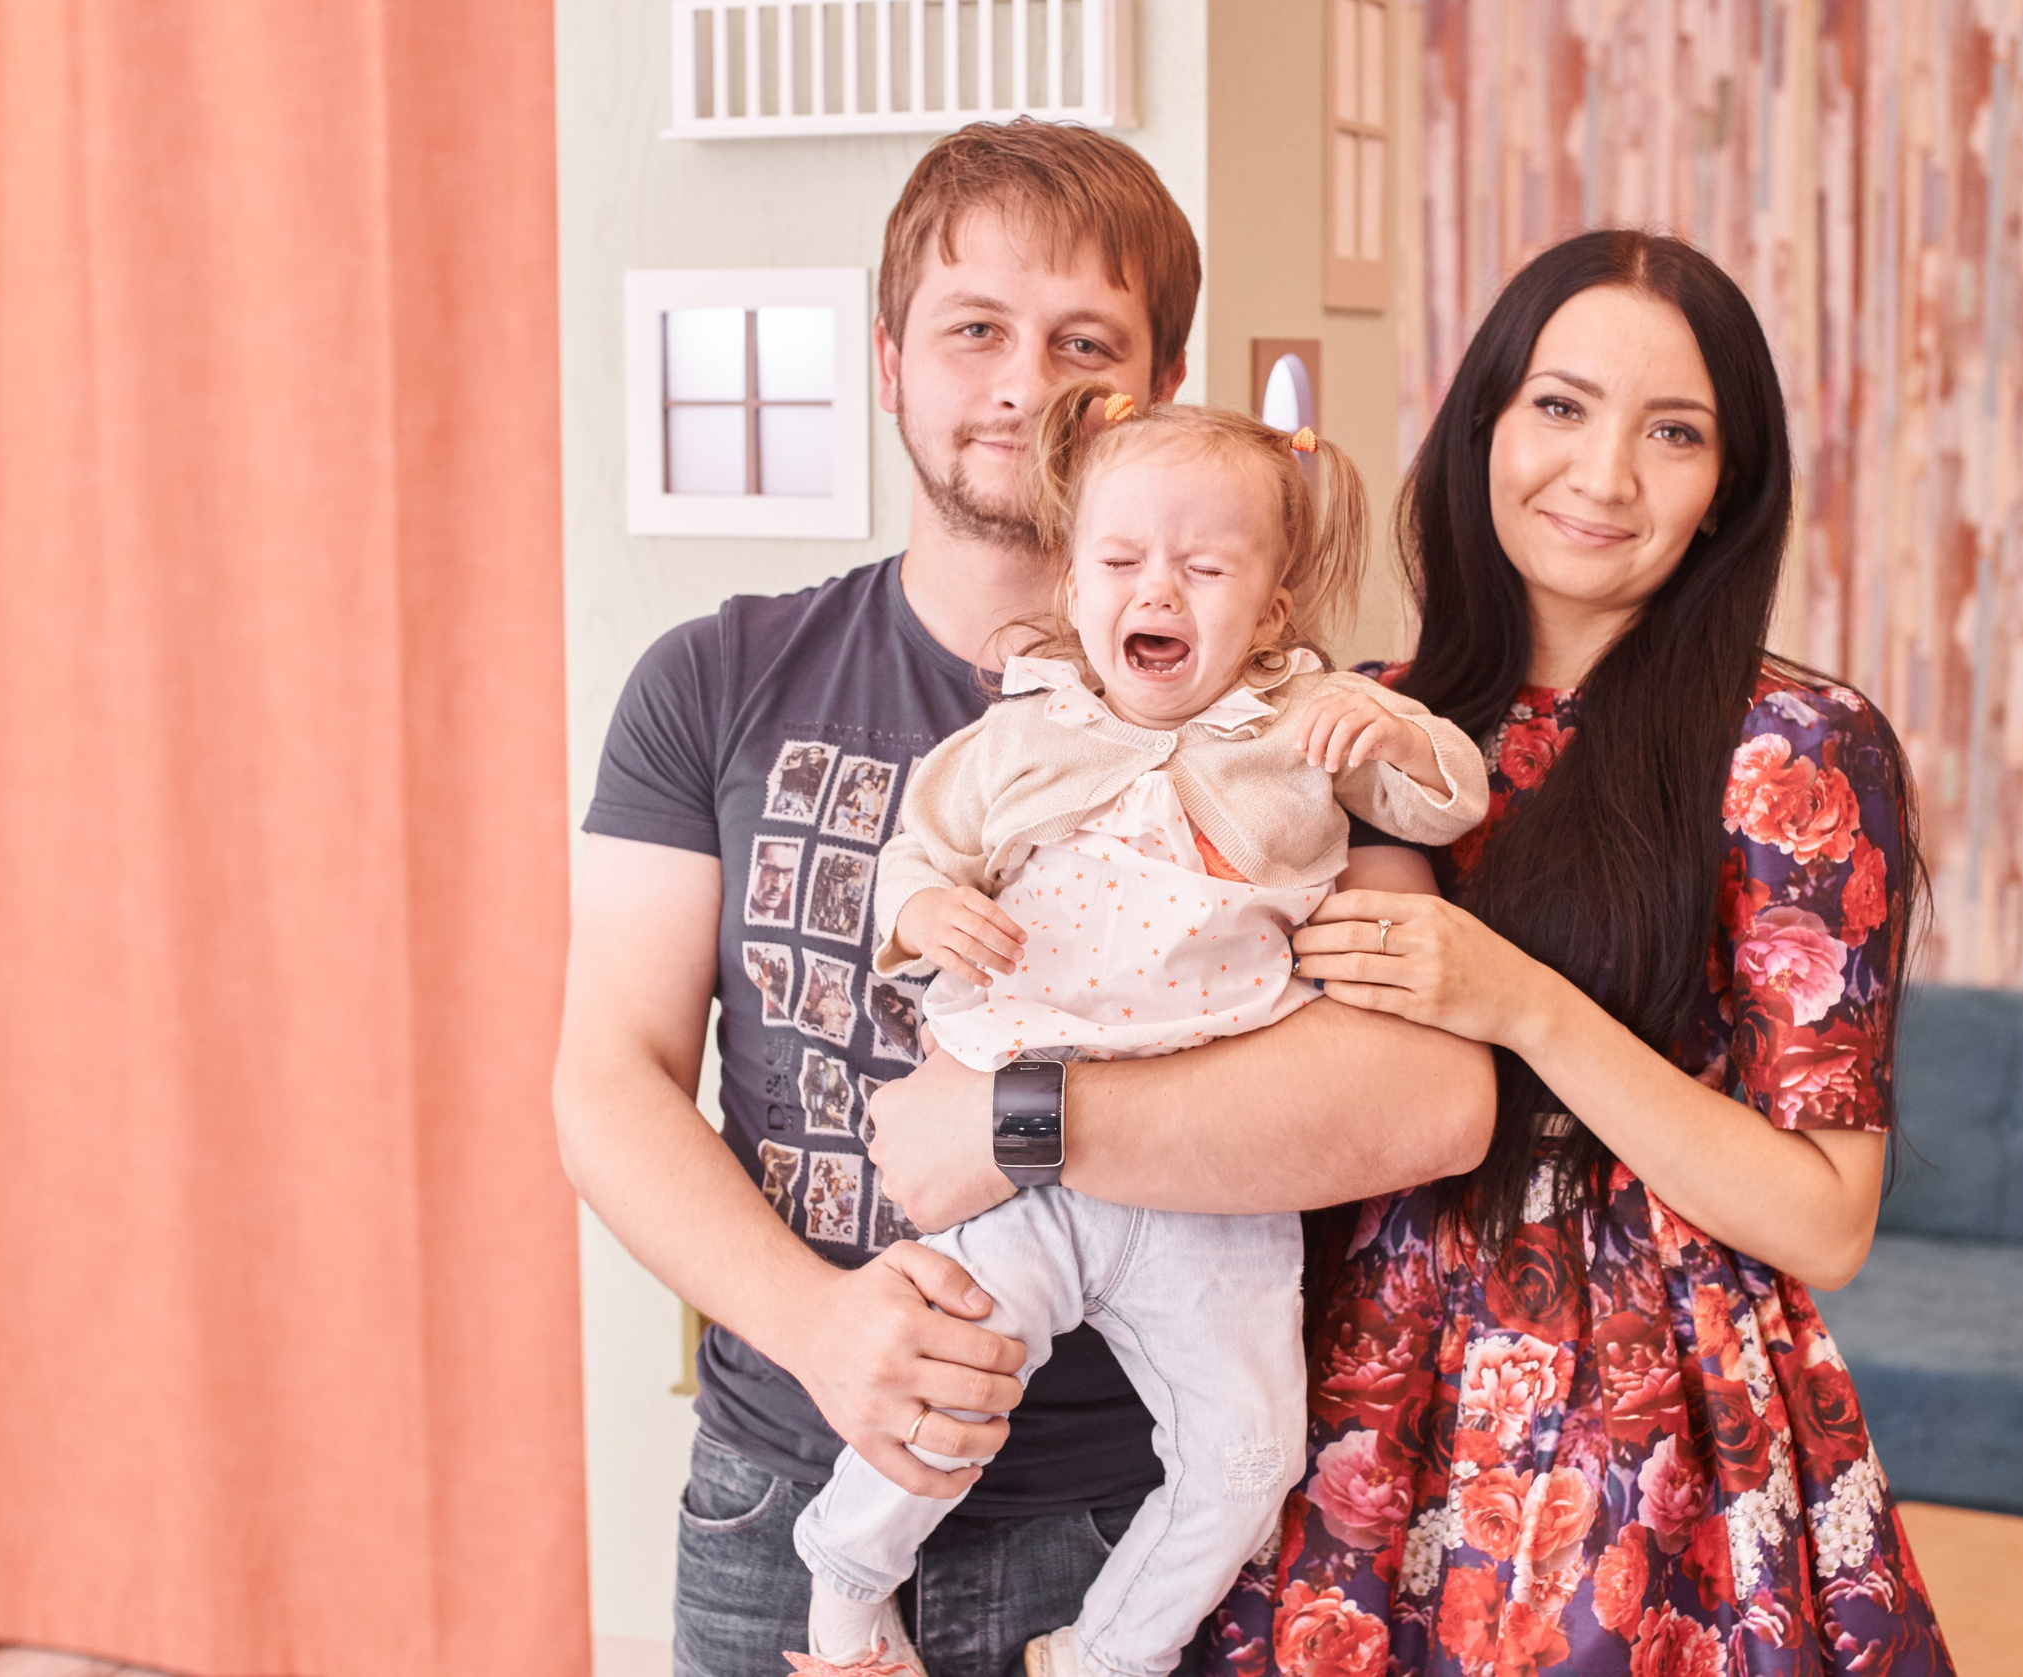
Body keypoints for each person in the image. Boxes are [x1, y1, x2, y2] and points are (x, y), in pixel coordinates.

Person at [551, 119, 1495, 1677]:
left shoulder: (1289, 721)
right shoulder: (712, 681)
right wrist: (825, 1328)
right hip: (784, 1482)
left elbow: (1421, 1094)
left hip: (1117, 1513)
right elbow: (608, 1079)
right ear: (889, 359)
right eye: (972, 327)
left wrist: (1019, 1121)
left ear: (1154, 390)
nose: (1016, 382)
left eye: (1082, 344)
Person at [1186, 230, 1957, 1672]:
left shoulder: (1790, 749)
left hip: (1649, 1437)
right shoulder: (1363, 717)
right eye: (1560, 406)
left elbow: (1824, 1218)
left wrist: (1521, 1003)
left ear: (1728, 485)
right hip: (1350, 1395)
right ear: (1483, 421)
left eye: (1673, 432)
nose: (1603, 476)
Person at [787, 385, 1488, 1677]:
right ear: (1074, 576)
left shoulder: (1298, 726)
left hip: (1213, 1179)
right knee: (945, 1375)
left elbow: (1442, 801)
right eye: (1120, 560)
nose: (1155, 587)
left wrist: (1390, 727)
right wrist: (932, 908)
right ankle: (845, 1578)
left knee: (1253, 1449)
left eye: (1206, 567)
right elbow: (914, 855)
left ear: (1272, 608)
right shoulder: (1016, 734)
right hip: (1016, 1159)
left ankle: (1106, 1654)